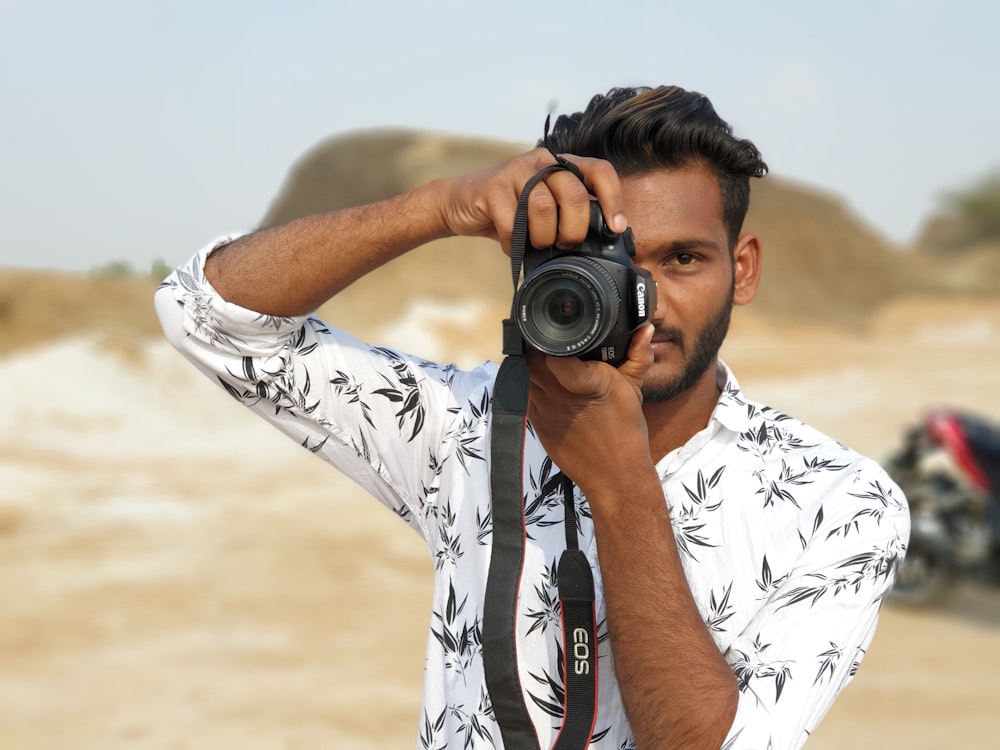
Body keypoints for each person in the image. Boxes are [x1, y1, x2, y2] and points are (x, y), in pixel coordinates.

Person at [155, 85, 909, 749]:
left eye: (682, 259)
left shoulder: (837, 503)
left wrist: (620, 487)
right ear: (540, 271)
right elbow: (204, 316)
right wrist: (439, 207)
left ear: (741, 270)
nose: (643, 297)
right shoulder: (471, 426)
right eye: (608, 261)